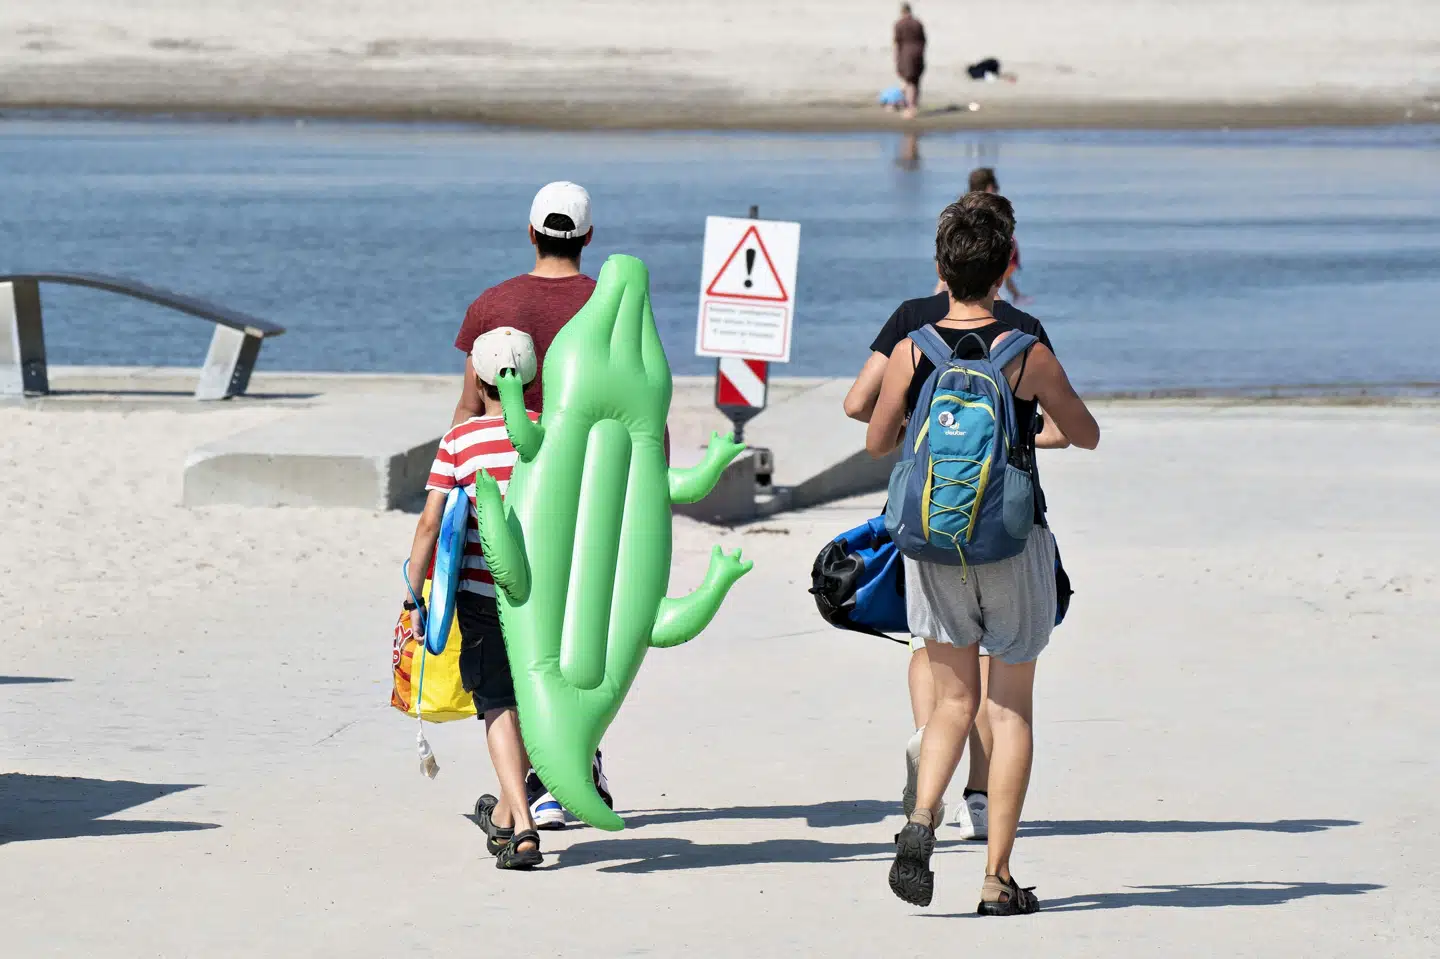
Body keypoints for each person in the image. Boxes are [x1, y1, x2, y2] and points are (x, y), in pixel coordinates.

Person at [867, 200, 1099, 913]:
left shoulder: (914, 346)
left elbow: (878, 441)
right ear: (1005, 269)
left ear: (942, 269)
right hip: (1010, 539)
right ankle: (997, 877)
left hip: (934, 544)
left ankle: (918, 818)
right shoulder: (1026, 349)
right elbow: (1085, 432)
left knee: (952, 701)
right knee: (1009, 707)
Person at [844, 190, 1063, 843]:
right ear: (1004, 262)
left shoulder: (912, 324)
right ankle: (978, 798)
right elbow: (1049, 427)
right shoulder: (1024, 332)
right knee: (1006, 678)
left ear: (941, 257)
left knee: (936, 657)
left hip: (928, 515)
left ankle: (927, 775)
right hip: (1007, 519)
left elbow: (860, 406)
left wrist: (930, 425)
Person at [450, 181, 614, 829]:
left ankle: (539, 787)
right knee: (572, 648)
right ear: (589, 237)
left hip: (501, 516)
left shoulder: (493, 304)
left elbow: (466, 408)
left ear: (529, 233)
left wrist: (451, 486)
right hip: (584, 501)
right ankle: (563, 773)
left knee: (508, 653)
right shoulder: (610, 306)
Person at [404, 327, 547, 869]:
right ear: (530, 375)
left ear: (479, 377)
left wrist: (413, 595)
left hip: (481, 595)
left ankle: (525, 827)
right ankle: (508, 814)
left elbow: (429, 526)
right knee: (531, 701)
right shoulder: (551, 434)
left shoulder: (459, 441)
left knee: (496, 702)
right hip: (545, 592)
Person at [935, 169, 1027, 303]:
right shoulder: (997, 224)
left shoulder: (953, 222)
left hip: (956, 302)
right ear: (990, 188)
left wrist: (937, 297)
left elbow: (946, 265)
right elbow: (1009, 266)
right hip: (994, 302)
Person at [893, 3, 926, 119]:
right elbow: (924, 40)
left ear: (902, 11)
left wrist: (896, 58)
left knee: (909, 82)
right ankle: (914, 105)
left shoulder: (899, 24)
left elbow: (897, 43)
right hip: (918, 53)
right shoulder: (918, 23)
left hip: (906, 54)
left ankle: (910, 109)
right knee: (916, 81)